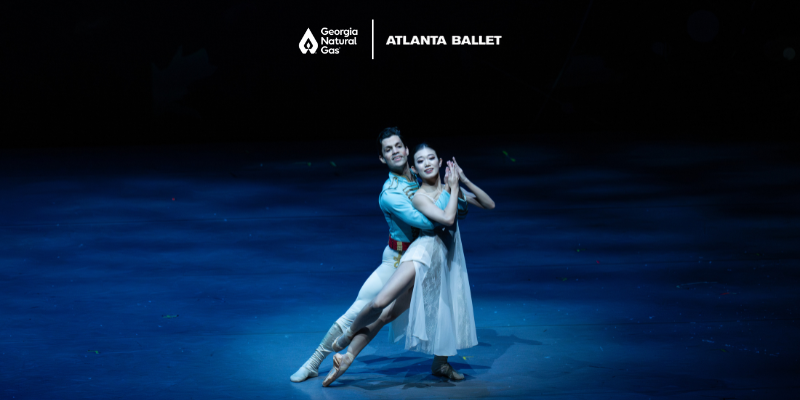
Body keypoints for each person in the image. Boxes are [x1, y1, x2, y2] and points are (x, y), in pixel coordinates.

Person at [289, 128, 469, 382]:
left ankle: (441, 364)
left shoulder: (419, 176)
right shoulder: (391, 193)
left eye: (398, 146)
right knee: (361, 310)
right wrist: (446, 195)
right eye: (388, 149)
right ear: (383, 159)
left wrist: (455, 191)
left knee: (441, 308)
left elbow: (456, 209)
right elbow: (428, 224)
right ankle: (314, 361)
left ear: (407, 150)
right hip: (398, 260)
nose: (394, 151)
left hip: (427, 257)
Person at [323, 143, 495, 387]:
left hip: (444, 260)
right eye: (421, 160)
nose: (427, 163)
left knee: (430, 312)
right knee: (381, 304)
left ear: (440, 161)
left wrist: (463, 180)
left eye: (431, 158)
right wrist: (454, 188)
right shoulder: (419, 196)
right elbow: (447, 218)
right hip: (422, 254)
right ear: (415, 167)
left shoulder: (450, 188)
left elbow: (489, 204)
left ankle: (348, 357)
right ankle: (349, 334)